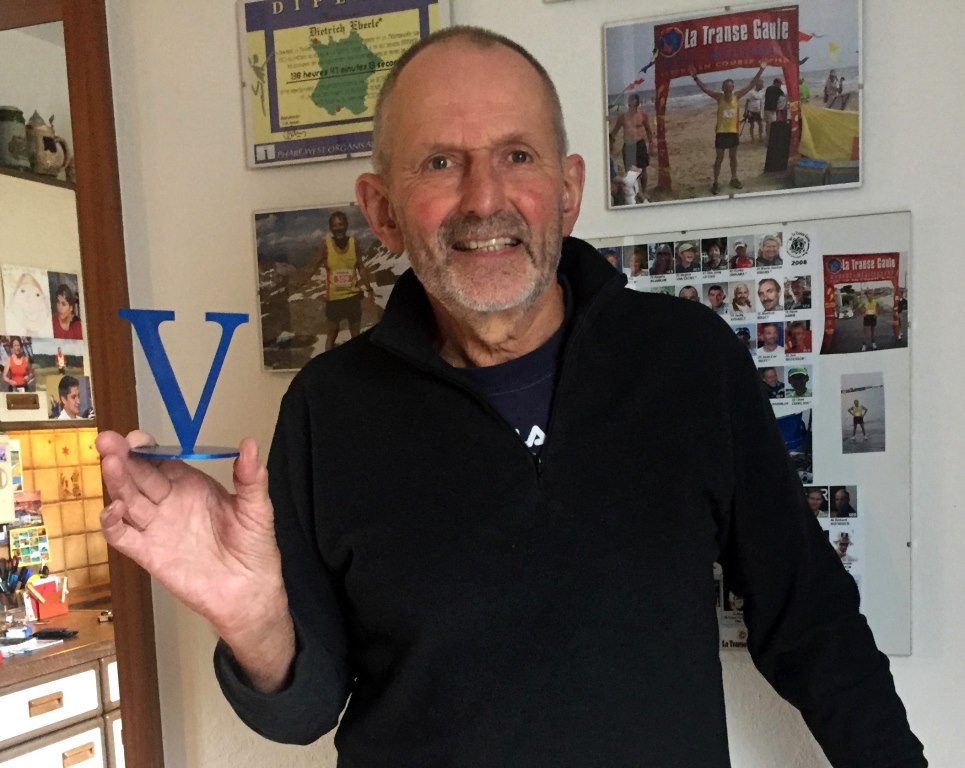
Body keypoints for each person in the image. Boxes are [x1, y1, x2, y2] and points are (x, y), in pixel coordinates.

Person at [95, 28, 925, 768]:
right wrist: (251, 616)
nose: (485, 198)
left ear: (567, 189)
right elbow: (304, 710)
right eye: (440, 162)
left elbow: (808, 618)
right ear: (382, 211)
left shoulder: (688, 359)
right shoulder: (326, 408)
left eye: (517, 156)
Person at [303, 210, 375, 351]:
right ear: (331, 228)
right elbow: (314, 265)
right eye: (334, 225)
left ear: (346, 225)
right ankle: (328, 362)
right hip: (334, 299)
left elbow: (361, 267)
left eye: (341, 224)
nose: (338, 228)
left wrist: (369, 289)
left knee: (356, 334)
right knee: (332, 333)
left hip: (353, 297)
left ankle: (357, 361)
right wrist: (302, 281)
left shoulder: (354, 243)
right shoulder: (326, 245)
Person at [689, 62, 766, 195]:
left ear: (733, 88)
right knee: (719, 159)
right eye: (726, 89)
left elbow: (751, 84)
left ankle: (734, 179)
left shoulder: (737, 96)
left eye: (730, 88)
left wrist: (761, 69)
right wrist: (695, 77)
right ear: (723, 89)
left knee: (733, 158)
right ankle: (715, 182)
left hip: (733, 133)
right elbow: (705, 89)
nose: (728, 91)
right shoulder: (719, 97)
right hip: (721, 133)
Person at [609, 93, 653, 202]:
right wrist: (610, 144)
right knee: (630, 173)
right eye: (631, 99)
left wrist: (651, 144)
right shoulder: (623, 117)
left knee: (643, 171)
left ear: (637, 102)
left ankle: (644, 192)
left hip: (640, 144)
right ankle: (636, 194)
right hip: (628, 146)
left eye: (635, 99)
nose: (633, 101)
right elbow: (614, 132)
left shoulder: (642, 115)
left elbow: (648, 129)